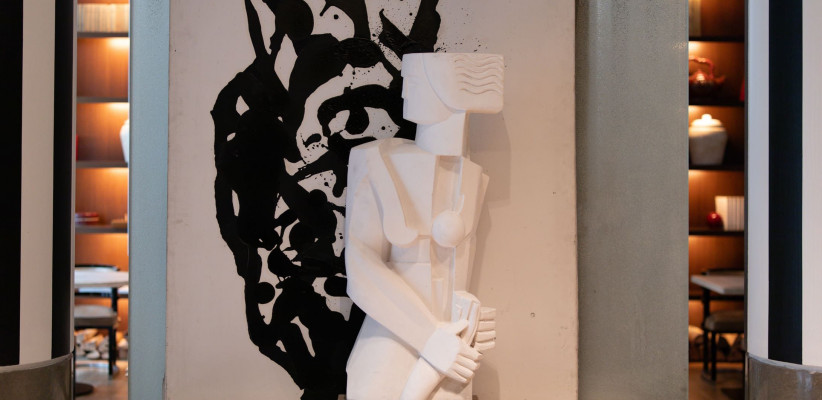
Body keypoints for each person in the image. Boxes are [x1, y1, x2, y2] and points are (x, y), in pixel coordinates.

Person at [344, 53, 504, 400]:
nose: (405, 91)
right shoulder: (376, 161)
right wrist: (430, 338)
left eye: (417, 81)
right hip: (394, 329)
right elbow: (360, 266)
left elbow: (457, 275)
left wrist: (471, 321)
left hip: (450, 341)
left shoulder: (472, 178)